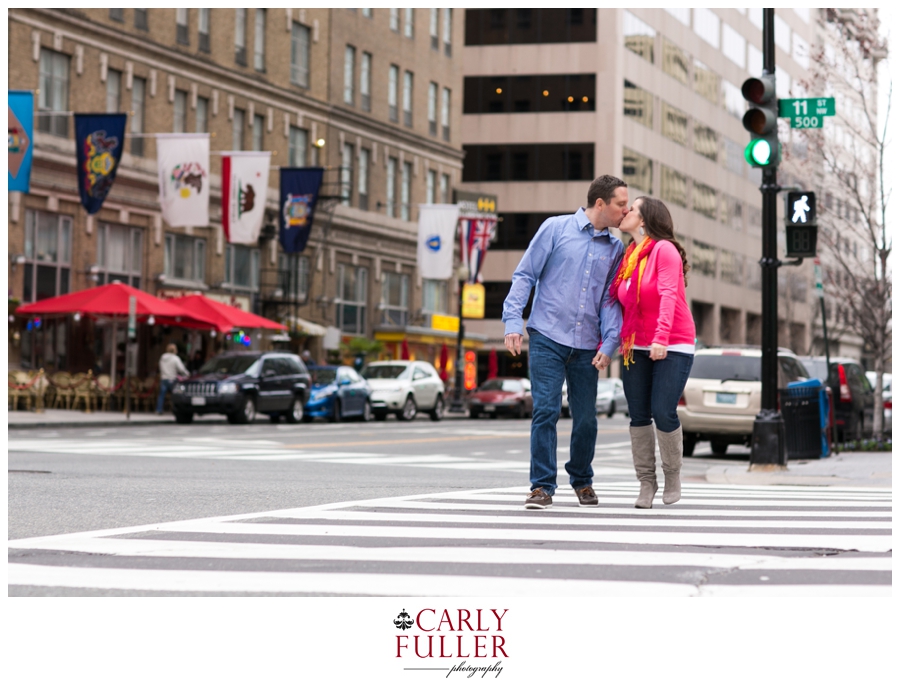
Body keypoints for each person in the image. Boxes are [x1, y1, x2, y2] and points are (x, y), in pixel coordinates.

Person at [503, 175, 627, 509]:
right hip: (547, 336)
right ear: (600, 203)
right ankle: (542, 486)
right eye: (621, 204)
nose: (626, 210)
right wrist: (513, 321)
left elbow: (609, 301)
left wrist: (609, 344)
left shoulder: (617, 249)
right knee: (545, 410)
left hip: (588, 345)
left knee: (586, 417)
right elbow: (525, 274)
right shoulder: (555, 229)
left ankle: (582, 479)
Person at [602, 197, 695, 508]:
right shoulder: (629, 256)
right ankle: (646, 482)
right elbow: (618, 306)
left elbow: (669, 294)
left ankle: (673, 475)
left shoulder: (663, 250)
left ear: (643, 220)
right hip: (635, 346)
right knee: (639, 415)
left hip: (673, 342)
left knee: (662, 410)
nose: (625, 212)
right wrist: (608, 347)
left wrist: (661, 337)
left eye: (632, 209)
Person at [156, 343, 188, 415]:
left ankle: (159, 409)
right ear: (174, 350)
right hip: (172, 379)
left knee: (161, 395)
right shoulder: (175, 358)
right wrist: (187, 374)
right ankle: (176, 409)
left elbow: (160, 367)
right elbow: (181, 369)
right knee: (175, 394)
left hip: (164, 378)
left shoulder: (162, 357)